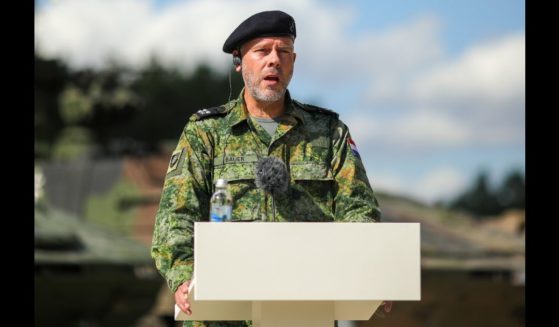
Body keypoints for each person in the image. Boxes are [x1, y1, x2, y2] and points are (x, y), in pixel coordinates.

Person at [151, 10, 387, 327]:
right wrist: (183, 275)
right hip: (222, 313)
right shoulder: (206, 132)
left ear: (293, 60)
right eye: (262, 51)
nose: (274, 60)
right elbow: (176, 214)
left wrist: (368, 268)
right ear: (239, 61)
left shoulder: (328, 132)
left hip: (304, 310)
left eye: (284, 52)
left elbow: (358, 208)